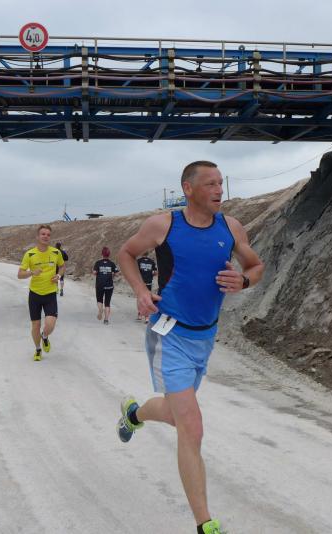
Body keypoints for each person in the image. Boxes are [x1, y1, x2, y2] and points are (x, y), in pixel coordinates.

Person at [115, 161, 264, 534]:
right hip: (169, 334)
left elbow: (256, 266)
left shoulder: (231, 227)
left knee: (175, 414)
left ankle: (134, 414)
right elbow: (126, 254)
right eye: (210, 184)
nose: (219, 190)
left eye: (220, 183)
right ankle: (205, 524)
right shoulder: (163, 225)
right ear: (188, 188)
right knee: (192, 427)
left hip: (205, 336)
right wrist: (140, 291)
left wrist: (244, 281)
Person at [18, 225, 65, 361]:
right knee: (36, 325)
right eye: (43, 234)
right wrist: (31, 272)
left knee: (50, 324)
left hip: (50, 294)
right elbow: (20, 274)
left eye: (48, 234)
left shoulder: (56, 252)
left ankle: (44, 336)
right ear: (38, 236)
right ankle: (38, 349)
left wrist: (58, 275)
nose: (46, 236)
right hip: (35, 294)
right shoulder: (30, 254)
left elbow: (62, 266)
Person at [92, 247, 120, 325]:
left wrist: (97, 272)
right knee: (107, 303)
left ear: (102, 254)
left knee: (99, 300)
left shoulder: (98, 263)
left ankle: (100, 310)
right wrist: (112, 275)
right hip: (109, 285)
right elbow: (117, 273)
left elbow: (94, 272)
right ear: (109, 254)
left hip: (99, 284)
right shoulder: (112, 263)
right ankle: (106, 320)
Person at [136, 251, 157, 322]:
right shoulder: (152, 262)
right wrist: (150, 274)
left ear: (142, 253)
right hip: (148, 283)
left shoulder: (138, 261)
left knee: (140, 298)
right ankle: (147, 318)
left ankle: (139, 315)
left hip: (140, 283)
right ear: (148, 254)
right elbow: (155, 272)